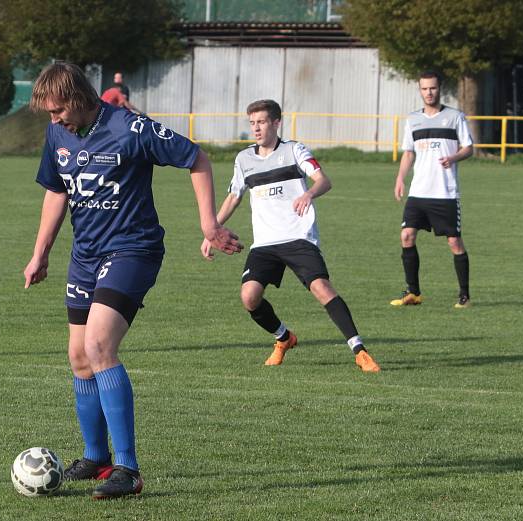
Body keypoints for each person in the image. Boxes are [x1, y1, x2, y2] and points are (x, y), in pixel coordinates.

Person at [23, 62, 242, 499]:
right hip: (84, 254)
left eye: (58, 110)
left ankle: (128, 468)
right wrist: (40, 253)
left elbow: (196, 157)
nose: (54, 119)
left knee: (100, 345)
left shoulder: (130, 127)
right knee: (78, 356)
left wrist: (208, 224)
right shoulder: (57, 135)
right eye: (49, 114)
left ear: (79, 97)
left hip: (133, 250)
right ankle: (96, 456)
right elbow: (57, 190)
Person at [200, 99, 380, 373]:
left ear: (275, 122)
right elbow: (233, 197)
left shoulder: (295, 150)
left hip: (298, 237)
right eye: (252, 123)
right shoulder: (244, 159)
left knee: (321, 288)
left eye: (261, 122)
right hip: (265, 243)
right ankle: (284, 338)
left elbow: (323, 180)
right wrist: (211, 230)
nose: (256, 128)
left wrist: (308, 193)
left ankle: (359, 351)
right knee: (249, 297)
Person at [391, 71, 473, 308]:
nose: (429, 92)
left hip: (445, 193)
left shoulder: (455, 117)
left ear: (440, 89)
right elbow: (408, 152)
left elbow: (469, 148)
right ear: (420, 91)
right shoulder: (413, 119)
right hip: (418, 192)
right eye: (425, 89)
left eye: (433, 88)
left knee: (454, 242)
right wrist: (399, 178)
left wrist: (454, 157)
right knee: (406, 236)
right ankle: (413, 293)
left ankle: (464, 296)